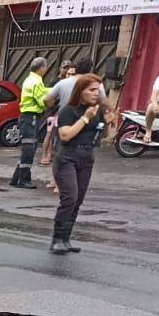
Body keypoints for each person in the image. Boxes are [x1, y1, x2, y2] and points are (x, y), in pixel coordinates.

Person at [50, 73, 105, 254]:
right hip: (67, 156)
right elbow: (65, 135)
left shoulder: (97, 111)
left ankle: (66, 239)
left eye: (98, 90)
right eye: (91, 90)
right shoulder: (69, 111)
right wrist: (85, 118)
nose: (96, 93)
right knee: (69, 198)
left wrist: (109, 124)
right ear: (80, 91)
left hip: (87, 156)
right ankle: (56, 239)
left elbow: (99, 136)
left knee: (78, 200)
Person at [11, 56, 49, 188]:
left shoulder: (30, 79)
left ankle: (16, 178)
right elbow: (42, 101)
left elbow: (43, 92)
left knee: (27, 148)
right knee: (29, 148)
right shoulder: (36, 82)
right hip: (31, 117)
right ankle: (24, 179)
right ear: (42, 68)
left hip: (26, 117)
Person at [39, 61, 81, 170]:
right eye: (66, 70)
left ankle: (53, 157)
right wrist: (52, 108)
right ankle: (45, 155)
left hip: (66, 116)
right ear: (61, 69)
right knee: (50, 134)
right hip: (54, 113)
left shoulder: (75, 85)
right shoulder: (57, 82)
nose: (67, 73)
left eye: (72, 73)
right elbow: (48, 97)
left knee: (58, 139)